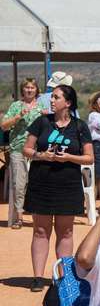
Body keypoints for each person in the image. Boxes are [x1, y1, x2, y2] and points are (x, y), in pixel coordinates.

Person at [23, 84, 94, 292]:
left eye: (56, 97)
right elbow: (27, 149)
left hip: (68, 184)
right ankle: (38, 277)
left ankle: (63, 277)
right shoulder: (41, 122)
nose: (51, 100)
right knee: (40, 230)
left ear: (68, 103)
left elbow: (89, 157)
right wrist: (40, 155)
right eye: (51, 97)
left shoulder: (80, 126)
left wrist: (69, 157)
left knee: (66, 232)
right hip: (41, 183)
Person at [1, 78, 46, 229]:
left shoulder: (42, 106)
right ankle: (19, 217)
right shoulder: (16, 106)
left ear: (36, 90)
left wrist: (46, 116)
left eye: (32, 87)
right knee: (19, 183)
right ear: (22, 90)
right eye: (27, 87)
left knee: (37, 182)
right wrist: (18, 116)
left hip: (37, 149)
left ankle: (38, 216)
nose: (29, 90)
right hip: (18, 148)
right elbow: (4, 126)